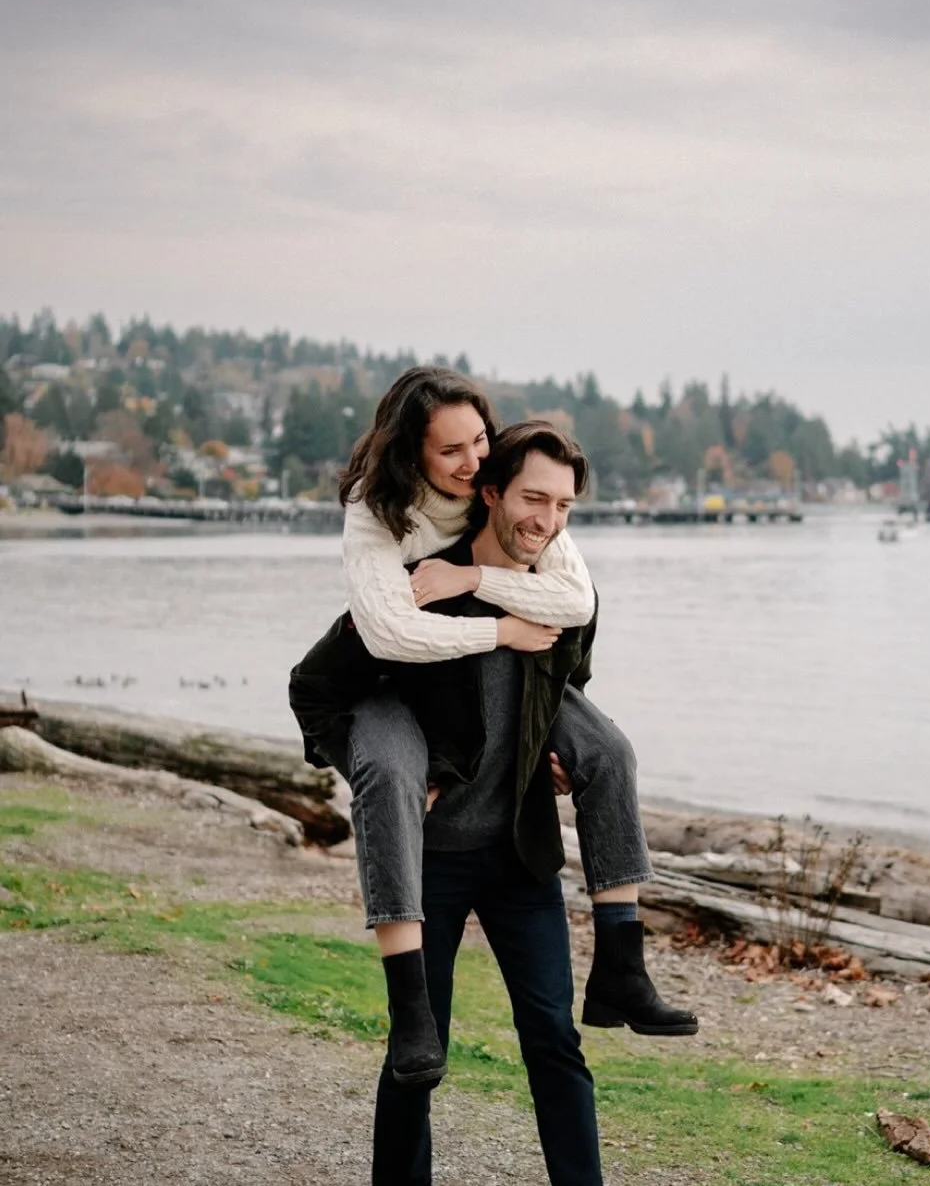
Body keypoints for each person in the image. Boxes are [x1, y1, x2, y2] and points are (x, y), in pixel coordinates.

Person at [289, 366, 696, 1088]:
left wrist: (474, 585)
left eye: (479, 439)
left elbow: (573, 599)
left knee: (608, 752)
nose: (474, 459)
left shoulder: (511, 482)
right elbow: (388, 637)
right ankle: (410, 1006)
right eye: (451, 451)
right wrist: (503, 631)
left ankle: (622, 969)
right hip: (374, 678)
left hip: (464, 665)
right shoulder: (376, 509)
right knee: (390, 774)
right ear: (412, 454)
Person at [362, 421, 660, 1186]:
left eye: (564, 506)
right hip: (434, 860)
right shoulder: (422, 584)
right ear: (489, 490)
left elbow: (573, 684)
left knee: (555, 1041)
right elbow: (343, 680)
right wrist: (384, 762)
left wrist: (558, 752)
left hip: (522, 853)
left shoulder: (565, 588)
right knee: (422, 1041)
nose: (547, 520)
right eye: (534, 499)